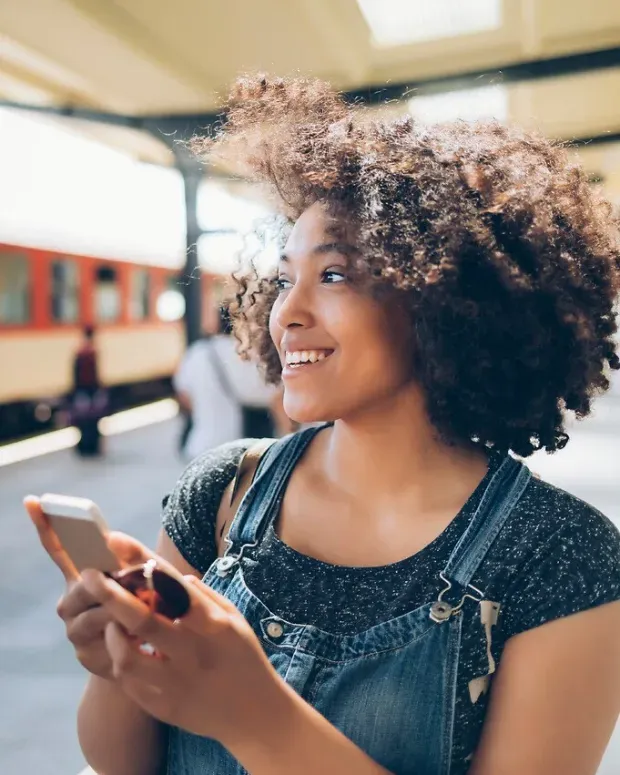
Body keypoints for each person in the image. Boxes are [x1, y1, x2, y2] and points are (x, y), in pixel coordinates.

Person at [26, 75, 620, 775]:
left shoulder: (561, 555)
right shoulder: (222, 492)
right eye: (284, 279)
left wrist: (255, 714)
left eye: (333, 275)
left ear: (446, 295)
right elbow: (121, 761)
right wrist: (116, 665)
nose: (288, 313)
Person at [173, 306, 287, 458]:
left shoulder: (197, 352)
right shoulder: (247, 355)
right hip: (243, 453)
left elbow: (184, 397)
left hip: (201, 447)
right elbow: (274, 398)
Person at [70, 324, 106, 456]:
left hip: (83, 391)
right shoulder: (92, 353)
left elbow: (75, 376)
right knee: (92, 421)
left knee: (84, 421)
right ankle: (92, 447)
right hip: (90, 391)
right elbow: (95, 376)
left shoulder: (80, 353)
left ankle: (85, 447)